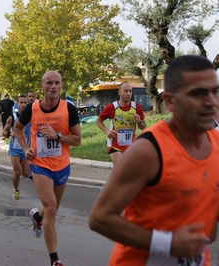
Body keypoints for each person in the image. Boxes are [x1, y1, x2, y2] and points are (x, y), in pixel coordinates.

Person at [89, 55, 219, 266]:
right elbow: (100, 218)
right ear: (170, 101)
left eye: (215, 91)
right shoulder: (149, 151)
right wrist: (167, 244)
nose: (211, 102)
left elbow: (210, 230)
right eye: (198, 93)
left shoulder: (217, 145)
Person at [14, 70, 81, 266]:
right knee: (51, 207)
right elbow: (18, 128)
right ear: (42, 86)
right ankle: (55, 260)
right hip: (39, 164)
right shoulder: (32, 109)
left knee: (51, 210)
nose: (53, 86)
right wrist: (26, 148)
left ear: (61, 86)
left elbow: (77, 140)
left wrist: (58, 136)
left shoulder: (69, 109)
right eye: (49, 83)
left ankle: (37, 216)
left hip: (62, 165)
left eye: (57, 83)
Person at [96, 81, 146, 166]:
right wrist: (107, 131)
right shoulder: (112, 107)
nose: (128, 94)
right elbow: (98, 120)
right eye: (125, 91)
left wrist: (139, 121)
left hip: (130, 145)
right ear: (119, 92)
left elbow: (143, 126)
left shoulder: (136, 107)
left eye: (130, 91)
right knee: (121, 167)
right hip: (115, 144)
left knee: (129, 172)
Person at [2, 94, 32, 200]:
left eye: (25, 103)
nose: (23, 105)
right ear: (17, 104)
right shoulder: (12, 118)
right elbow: (4, 132)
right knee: (17, 171)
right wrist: (10, 133)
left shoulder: (31, 118)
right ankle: (16, 190)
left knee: (26, 174)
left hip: (26, 149)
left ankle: (31, 172)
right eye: (21, 102)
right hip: (15, 148)